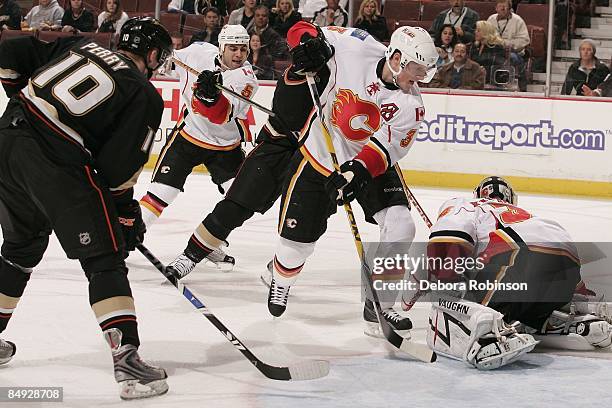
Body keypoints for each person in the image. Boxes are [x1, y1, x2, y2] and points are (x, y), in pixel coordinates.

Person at [0, 17, 173, 398]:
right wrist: (124, 215)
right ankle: (128, 362)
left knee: (20, 250)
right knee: (104, 258)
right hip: (52, 158)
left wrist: (18, 98)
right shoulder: (144, 94)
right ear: (154, 54)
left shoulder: (79, 45)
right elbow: (116, 171)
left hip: (7, 141)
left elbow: (9, 51)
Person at [256, 23, 437, 336]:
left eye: (426, 72)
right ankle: (280, 277)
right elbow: (302, 30)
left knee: (401, 224)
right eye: (417, 70)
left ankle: (379, 305)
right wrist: (306, 44)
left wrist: (356, 171)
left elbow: (385, 148)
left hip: (368, 162)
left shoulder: (411, 105)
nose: (420, 79)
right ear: (395, 58)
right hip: (320, 153)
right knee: (296, 247)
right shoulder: (357, 46)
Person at [163, 21, 330, 278]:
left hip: (321, 155)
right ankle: (191, 255)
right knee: (236, 204)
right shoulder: (291, 78)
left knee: (310, 217)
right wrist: (210, 97)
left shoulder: (340, 71)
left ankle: (280, 272)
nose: (239, 54)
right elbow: (222, 112)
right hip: (278, 149)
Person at [421, 176, 611, 369]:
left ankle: (487, 332)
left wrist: (445, 281)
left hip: (518, 257)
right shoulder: (523, 213)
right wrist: (578, 295)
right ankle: (563, 317)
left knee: (448, 299)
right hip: (566, 257)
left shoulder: (465, 204)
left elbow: (450, 235)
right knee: (521, 302)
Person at [139, 25, 258, 270]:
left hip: (225, 147)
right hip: (188, 138)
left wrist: (210, 95)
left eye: (243, 50)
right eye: (233, 49)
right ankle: (126, 238)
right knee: (160, 193)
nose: (238, 55)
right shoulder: (198, 52)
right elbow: (167, 60)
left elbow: (221, 115)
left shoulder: (246, 78)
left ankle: (209, 241)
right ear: (221, 47)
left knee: (241, 199)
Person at [487, 0, 529, 91]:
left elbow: (525, 40)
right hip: (494, 51)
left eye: (505, 6)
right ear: (496, 8)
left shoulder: (518, 20)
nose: (502, 8)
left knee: (513, 58)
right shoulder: (491, 19)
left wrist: (507, 44)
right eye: (500, 6)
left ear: (510, 9)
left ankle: (521, 88)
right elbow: (486, 35)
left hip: (513, 52)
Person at [470, 20, 507, 85]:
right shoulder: (475, 46)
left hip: (492, 81)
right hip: (476, 80)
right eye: (476, 30)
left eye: (478, 31)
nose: (475, 32)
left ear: (485, 32)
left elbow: (498, 67)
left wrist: (483, 70)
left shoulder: (496, 47)